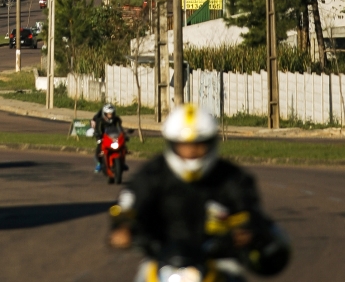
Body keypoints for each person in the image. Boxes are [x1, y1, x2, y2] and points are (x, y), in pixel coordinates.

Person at [108, 104, 290, 276]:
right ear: (172, 144)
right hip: (163, 260)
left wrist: (245, 232)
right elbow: (129, 201)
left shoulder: (231, 177)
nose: (192, 152)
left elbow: (250, 210)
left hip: (219, 261)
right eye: (184, 146)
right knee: (143, 276)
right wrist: (123, 227)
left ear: (211, 143)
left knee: (235, 275)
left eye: (198, 145)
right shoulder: (154, 173)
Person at [92, 103, 123, 174]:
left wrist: (123, 134)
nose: (110, 115)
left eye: (111, 114)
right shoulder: (100, 121)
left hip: (114, 138)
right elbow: (98, 130)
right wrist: (98, 136)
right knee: (99, 151)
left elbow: (119, 128)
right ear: (105, 114)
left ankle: (122, 162)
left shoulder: (117, 120)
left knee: (122, 147)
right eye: (108, 114)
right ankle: (99, 163)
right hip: (104, 138)